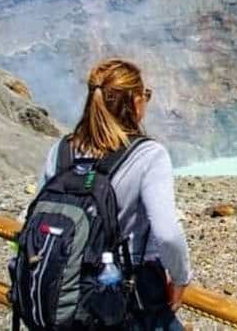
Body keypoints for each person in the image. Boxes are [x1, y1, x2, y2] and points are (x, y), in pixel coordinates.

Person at [36, 57, 192, 330]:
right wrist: (180, 279)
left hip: (64, 288)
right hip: (129, 292)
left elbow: (33, 219)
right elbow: (168, 233)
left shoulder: (61, 150)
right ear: (135, 102)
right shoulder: (148, 155)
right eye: (146, 95)